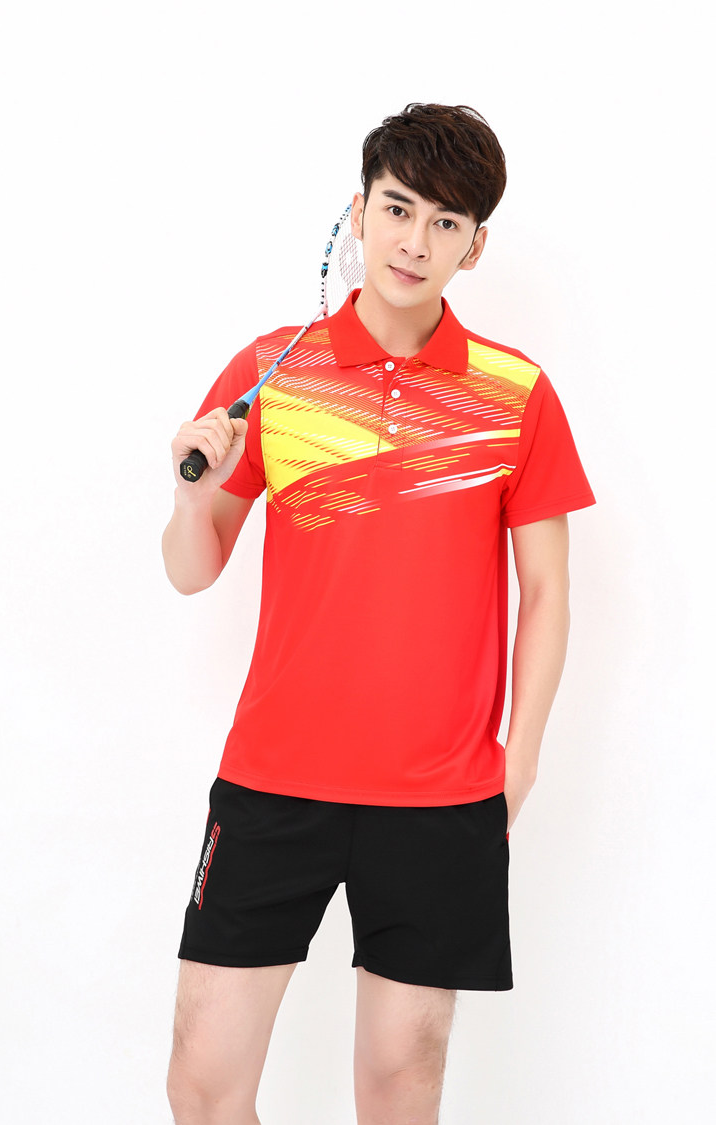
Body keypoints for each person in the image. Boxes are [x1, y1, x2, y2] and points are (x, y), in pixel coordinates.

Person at [162, 103, 595, 1125]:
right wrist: (191, 494)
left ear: (474, 246)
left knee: (402, 1090)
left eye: (446, 222)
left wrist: (520, 760)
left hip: (441, 798)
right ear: (357, 212)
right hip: (273, 780)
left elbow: (547, 590)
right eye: (398, 208)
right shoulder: (273, 373)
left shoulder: (516, 393)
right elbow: (191, 571)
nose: (415, 240)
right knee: (202, 1083)